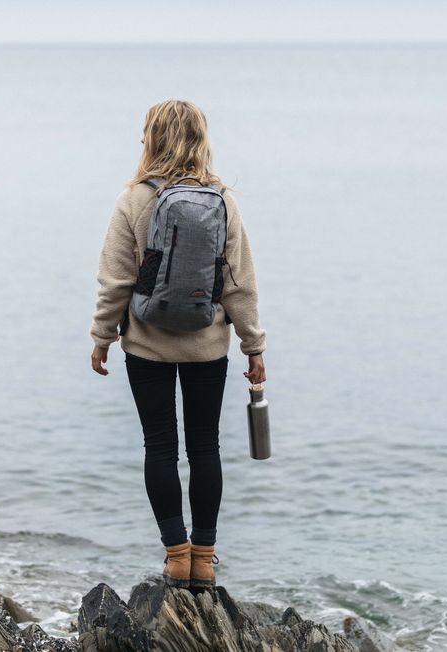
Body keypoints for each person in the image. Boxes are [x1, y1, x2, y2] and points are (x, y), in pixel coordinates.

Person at [89, 99, 267, 589]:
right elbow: (239, 284)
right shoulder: (222, 202)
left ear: (150, 139)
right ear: (200, 139)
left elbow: (116, 282)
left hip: (145, 345)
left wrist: (102, 336)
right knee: (205, 446)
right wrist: (253, 346)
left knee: (161, 447)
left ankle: (176, 556)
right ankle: (205, 560)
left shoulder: (133, 201)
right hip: (207, 346)